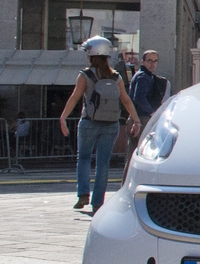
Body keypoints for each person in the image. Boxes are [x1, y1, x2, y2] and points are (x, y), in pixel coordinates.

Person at [59, 37, 140, 212]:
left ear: (91, 54)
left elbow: (75, 97)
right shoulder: (116, 77)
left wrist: (63, 117)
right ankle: (97, 202)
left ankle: (83, 194)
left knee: (84, 158)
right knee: (103, 163)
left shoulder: (85, 75)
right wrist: (136, 120)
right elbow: (126, 100)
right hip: (111, 124)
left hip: (89, 122)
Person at [129, 50, 169, 121]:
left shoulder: (146, 75)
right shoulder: (143, 77)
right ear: (143, 61)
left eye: (155, 61)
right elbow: (139, 97)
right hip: (142, 117)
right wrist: (151, 112)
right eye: (149, 61)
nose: (152, 64)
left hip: (139, 116)